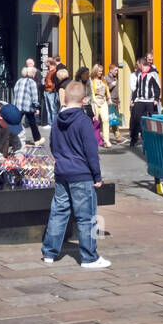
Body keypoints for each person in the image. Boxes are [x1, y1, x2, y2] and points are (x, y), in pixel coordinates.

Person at [42, 79, 109, 269]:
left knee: (58, 212)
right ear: (84, 100)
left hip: (62, 172)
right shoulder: (83, 120)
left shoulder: (56, 120)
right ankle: (89, 257)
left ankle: (49, 253)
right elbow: (91, 151)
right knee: (86, 216)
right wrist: (97, 176)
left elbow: (53, 146)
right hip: (81, 173)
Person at [129, 58, 161, 149]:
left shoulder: (153, 74)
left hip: (150, 100)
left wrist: (156, 99)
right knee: (136, 119)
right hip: (140, 100)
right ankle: (134, 139)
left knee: (149, 120)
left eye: (138, 65)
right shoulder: (139, 74)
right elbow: (137, 88)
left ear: (142, 64)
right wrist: (133, 99)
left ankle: (149, 140)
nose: (138, 67)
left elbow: (157, 87)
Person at [13, 65, 42, 143]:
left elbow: (15, 91)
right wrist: (36, 107)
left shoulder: (19, 81)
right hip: (28, 106)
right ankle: (37, 139)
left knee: (16, 122)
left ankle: (11, 139)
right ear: (32, 73)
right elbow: (34, 95)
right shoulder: (32, 82)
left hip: (18, 105)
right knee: (32, 123)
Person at [90, 64, 113, 148]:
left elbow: (107, 89)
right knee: (96, 121)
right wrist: (95, 102)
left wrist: (109, 98)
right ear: (95, 71)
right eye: (99, 71)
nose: (101, 72)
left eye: (101, 71)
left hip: (103, 101)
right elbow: (92, 92)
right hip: (95, 101)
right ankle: (94, 139)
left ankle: (106, 139)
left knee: (105, 120)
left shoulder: (103, 79)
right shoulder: (91, 80)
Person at [42, 59, 60, 127]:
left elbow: (54, 82)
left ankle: (53, 124)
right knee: (48, 108)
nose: (49, 67)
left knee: (53, 108)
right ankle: (50, 123)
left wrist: (52, 89)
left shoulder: (54, 72)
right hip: (47, 90)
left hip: (50, 91)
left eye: (51, 65)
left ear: (54, 65)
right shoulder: (49, 72)